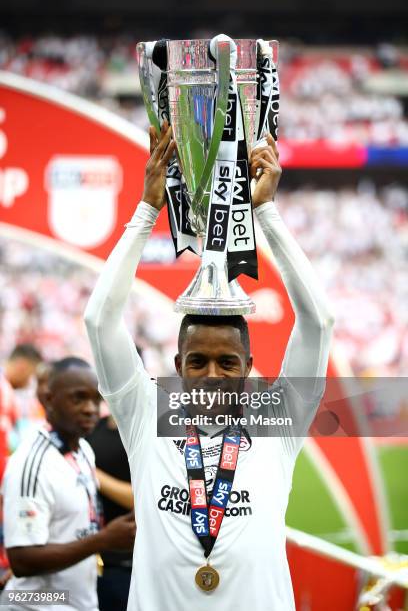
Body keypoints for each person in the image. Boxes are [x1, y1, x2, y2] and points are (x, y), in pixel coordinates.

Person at [84, 122, 334, 610]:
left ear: (248, 368)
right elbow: (99, 320)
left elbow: (318, 322)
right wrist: (147, 209)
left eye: (228, 362)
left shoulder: (277, 423)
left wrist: (265, 212)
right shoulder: (144, 415)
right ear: (178, 366)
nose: (213, 375)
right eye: (197, 361)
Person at [1, 357, 136, 611]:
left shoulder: (83, 449)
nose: (90, 409)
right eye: (78, 398)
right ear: (49, 399)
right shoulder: (32, 463)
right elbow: (21, 560)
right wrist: (103, 540)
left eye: (96, 400)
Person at [88, 413, 133, 611]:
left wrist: (93, 475)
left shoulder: (142, 428)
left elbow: (142, 497)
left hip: (125, 562)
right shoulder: (96, 426)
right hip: (91, 558)